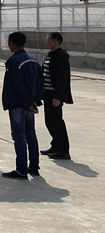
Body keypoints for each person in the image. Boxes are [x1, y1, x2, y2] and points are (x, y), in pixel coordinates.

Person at [1, 32, 44, 179]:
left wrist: (28, 103)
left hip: (18, 104)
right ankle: (34, 166)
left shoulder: (14, 62)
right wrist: (34, 101)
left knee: (19, 136)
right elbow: (42, 83)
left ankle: (21, 169)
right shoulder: (34, 61)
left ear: (12, 42)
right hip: (30, 104)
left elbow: (18, 85)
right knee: (31, 134)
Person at [41, 32, 73, 160]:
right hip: (47, 93)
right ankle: (55, 146)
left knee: (57, 122)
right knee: (49, 122)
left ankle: (64, 150)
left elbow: (62, 79)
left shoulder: (60, 57)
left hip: (54, 95)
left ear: (54, 43)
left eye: (47, 40)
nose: (46, 42)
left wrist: (57, 97)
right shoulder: (51, 54)